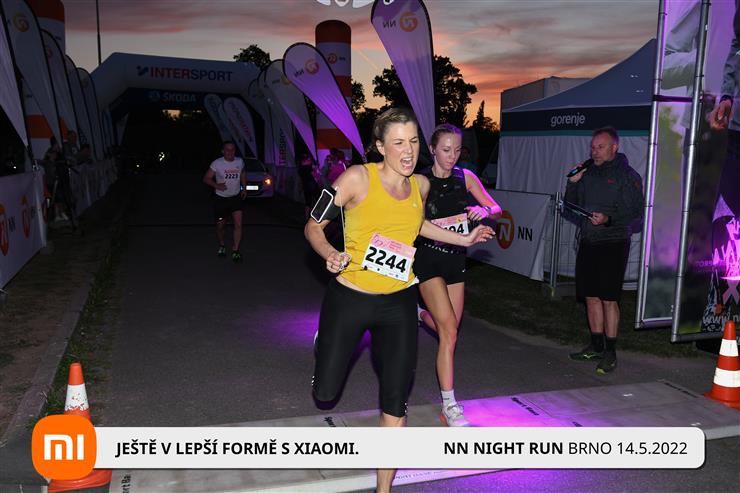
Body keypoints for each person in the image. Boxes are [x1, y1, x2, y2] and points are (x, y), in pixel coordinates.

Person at [304, 108, 493, 493]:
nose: (408, 151)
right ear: (380, 146)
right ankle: (325, 343)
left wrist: (465, 238)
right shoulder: (356, 178)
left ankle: (384, 489)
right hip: (351, 298)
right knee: (325, 393)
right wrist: (329, 253)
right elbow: (313, 225)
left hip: (398, 303)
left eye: (413, 141)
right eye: (398, 143)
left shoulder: (420, 185)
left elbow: (417, 225)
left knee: (395, 400)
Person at [415, 123, 502, 427]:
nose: (452, 156)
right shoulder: (420, 181)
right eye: (445, 150)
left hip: (455, 260)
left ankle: (419, 314)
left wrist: (485, 211)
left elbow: (495, 206)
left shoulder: (465, 177)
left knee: (449, 331)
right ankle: (450, 405)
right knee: (449, 330)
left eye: (456, 150)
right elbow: (413, 223)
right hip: (428, 260)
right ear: (432, 150)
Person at [565, 127, 643, 374]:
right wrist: (572, 184)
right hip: (589, 240)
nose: (594, 152)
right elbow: (571, 205)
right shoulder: (587, 172)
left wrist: (608, 219)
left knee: (609, 298)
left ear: (614, 148)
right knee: (590, 296)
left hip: (613, 242)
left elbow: (636, 212)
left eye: (600, 147)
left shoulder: (627, 175)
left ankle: (610, 352)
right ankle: (596, 346)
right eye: (593, 147)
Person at [202, 141, 247, 263]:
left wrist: (244, 188)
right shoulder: (217, 163)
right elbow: (206, 178)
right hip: (221, 199)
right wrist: (217, 185)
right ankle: (222, 244)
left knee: (238, 224)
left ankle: (235, 250)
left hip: (236, 198)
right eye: (227, 149)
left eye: (232, 149)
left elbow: (243, 173)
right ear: (223, 151)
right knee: (220, 226)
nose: (230, 152)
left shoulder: (239, 162)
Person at [297, 153, 319, 219]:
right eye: (308, 160)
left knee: (308, 202)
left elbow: (301, 178)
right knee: (317, 200)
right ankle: (317, 215)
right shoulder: (309, 167)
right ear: (305, 160)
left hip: (305, 185)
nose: (310, 161)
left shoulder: (300, 168)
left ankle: (307, 217)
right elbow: (314, 175)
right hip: (312, 184)